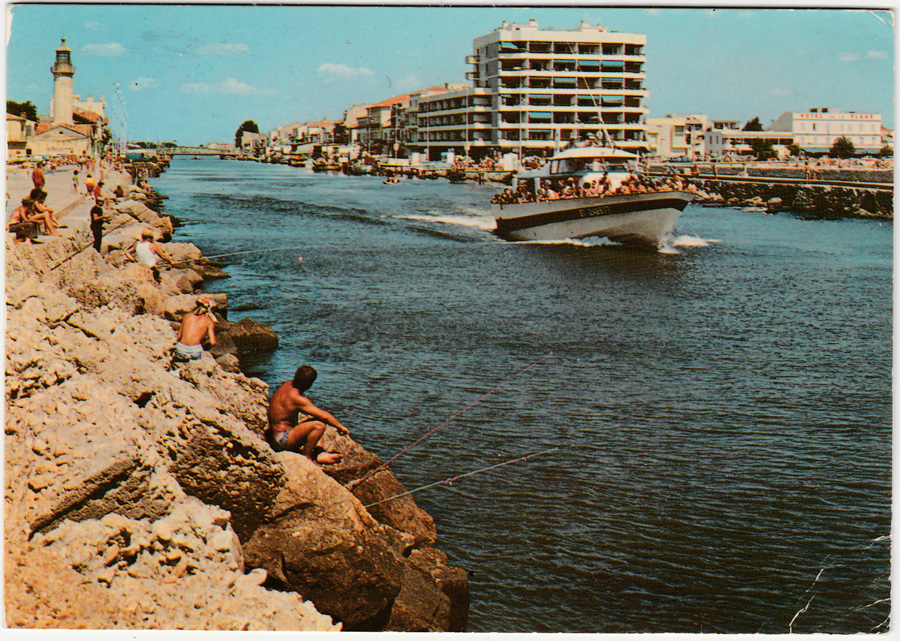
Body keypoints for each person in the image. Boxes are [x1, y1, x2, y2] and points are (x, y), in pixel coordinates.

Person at [267, 365, 349, 464]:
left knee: (317, 419)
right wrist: (340, 427)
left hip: (274, 435)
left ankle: (319, 452)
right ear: (309, 384)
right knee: (319, 425)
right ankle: (306, 457)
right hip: (282, 440)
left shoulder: (286, 385)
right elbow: (324, 415)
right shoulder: (296, 398)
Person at [174, 295, 217, 361]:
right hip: (194, 351)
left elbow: (179, 336)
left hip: (181, 350)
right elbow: (212, 342)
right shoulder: (209, 321)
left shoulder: (187, 316)